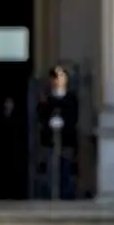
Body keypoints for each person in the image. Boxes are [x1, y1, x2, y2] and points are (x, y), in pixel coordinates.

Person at [37, 66, 79, 199]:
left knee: (66, 170)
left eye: (61, 77)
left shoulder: (71, 98)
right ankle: (52, 196)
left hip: (66, 142)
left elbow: (73, 117)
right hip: (50, 141)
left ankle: (66, 196)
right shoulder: (47, 98)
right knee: (51, 171)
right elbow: (41, 116)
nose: (58, 80)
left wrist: (64, 122)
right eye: (55, 77)